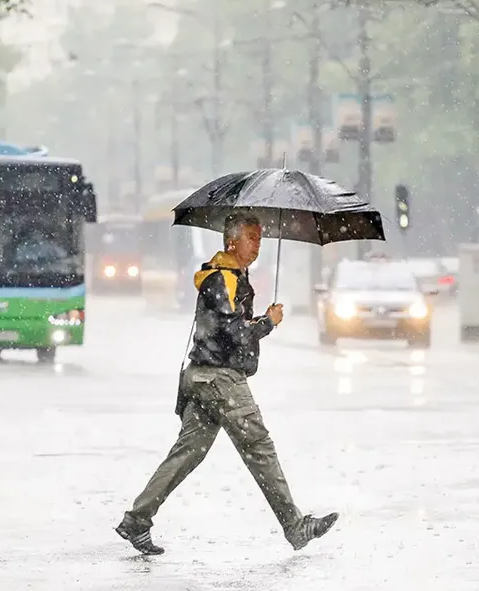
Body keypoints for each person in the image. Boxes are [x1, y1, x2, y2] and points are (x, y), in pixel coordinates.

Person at [116, 213, 338, 555]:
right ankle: (295, 526)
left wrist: (255, 319)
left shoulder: (230, 277)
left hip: (203, 377)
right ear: (232, 241)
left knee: (187, 454)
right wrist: (268, 322)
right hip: (221, 379)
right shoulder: (223, 279)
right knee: (259, 448)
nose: (258, 245)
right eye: (252, 238)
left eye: (260, 239)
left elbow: (228, 325)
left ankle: (136, 521)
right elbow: (234, 335)